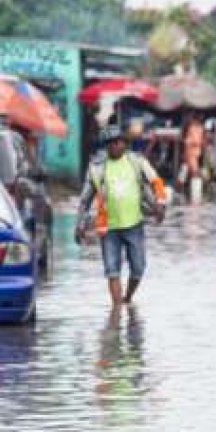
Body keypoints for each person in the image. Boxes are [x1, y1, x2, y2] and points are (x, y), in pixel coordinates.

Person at [76, 126, 168, 308]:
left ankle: (128, 297)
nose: (115, 146)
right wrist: (80, 224)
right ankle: (116, 312)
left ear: (124, 143)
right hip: (108, 228)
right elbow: (84, 201)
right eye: (110, 144)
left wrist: (160, 204)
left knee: (138, 268)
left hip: (134, 224)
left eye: (118, 142)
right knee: (112, 271)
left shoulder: (137, 162)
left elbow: (156, 181)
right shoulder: (96, 169)